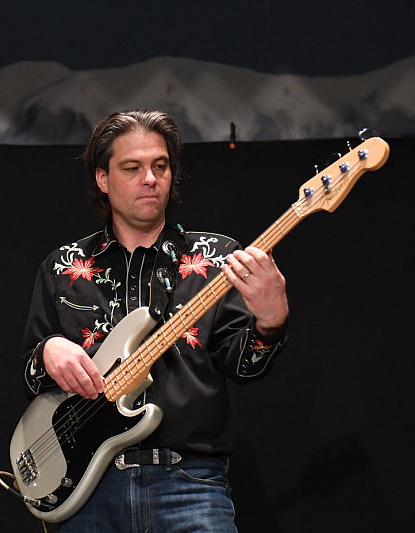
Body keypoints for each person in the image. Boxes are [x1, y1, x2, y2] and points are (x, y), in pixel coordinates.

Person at [20, 110, 289, 532]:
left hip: (190, 485)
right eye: (132, 168)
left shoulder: (216, 259)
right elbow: (31, 378)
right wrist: (48, 352)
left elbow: (244, 368)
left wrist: (271, 323)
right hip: (88, 492)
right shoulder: (63, 267)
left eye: (160, 166)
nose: (150, 179)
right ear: (103, 178)